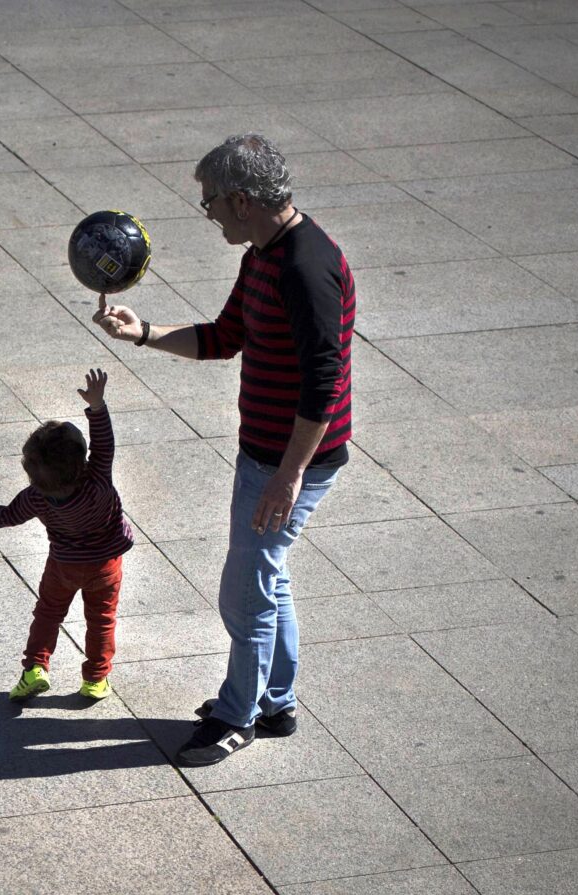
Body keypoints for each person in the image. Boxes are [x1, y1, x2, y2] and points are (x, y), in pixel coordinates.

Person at [93, 132, 356, 767]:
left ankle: (238, 716)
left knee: (244, 591)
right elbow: (227, 336)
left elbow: (328, 380)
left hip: (291, 462)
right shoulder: (263, 254)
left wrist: (288, 477)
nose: (207, 213)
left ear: (242, 200)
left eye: (210, 202)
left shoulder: (304, 268)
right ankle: (277, 701)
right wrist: (145, 333)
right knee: (267, 579)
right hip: (267, 454)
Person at [0, 367, 135, 703]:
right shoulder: (97, 480)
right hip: (105, 566)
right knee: (101, 619)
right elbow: (104, 442)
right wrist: (96, 406)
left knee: (48, 613)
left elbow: (1, 517)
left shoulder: (35, 497)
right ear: (82, 463)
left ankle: (35, 668)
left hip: (62, 566)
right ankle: (95, 678)